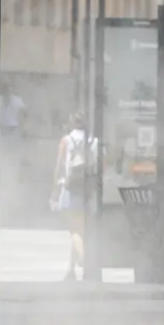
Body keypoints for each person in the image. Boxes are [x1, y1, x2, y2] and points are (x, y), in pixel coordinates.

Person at [51, 111, 97, 281]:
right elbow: (104, 162)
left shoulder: (66, 140)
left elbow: (59, 167)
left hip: (71, 188)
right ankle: (71, 270)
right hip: (88, 190)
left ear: (72, 123)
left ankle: (84, 258)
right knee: (81, 228)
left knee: (74, 230)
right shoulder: (94, 141)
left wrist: (55, 190)